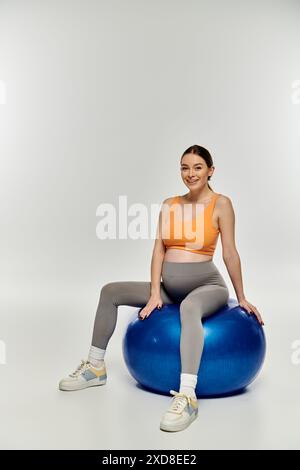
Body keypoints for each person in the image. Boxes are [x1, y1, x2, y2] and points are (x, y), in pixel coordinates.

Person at [59, 144, 264, 433]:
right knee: (110, 291)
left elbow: (230, 252)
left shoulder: (221, 204)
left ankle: (188, 396)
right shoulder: (170, 204)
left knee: (190, 309)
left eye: (197, 167)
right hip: (169, 288)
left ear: (210, 171)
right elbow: (158, 251)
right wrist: (156, 292)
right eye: (184, 167)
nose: (190, 174)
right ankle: (95, 368)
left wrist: (242, 297)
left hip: (207, 286)